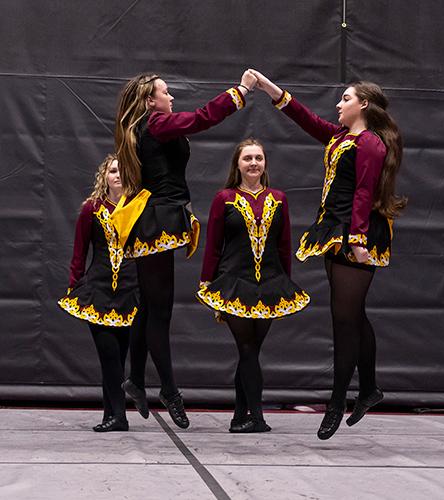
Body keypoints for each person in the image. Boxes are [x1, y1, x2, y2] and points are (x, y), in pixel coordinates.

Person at [251, 70, 406, 439]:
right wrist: (268, 87)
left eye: (346, 99)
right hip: (334, 229)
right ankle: (368, 388)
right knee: (352, 316)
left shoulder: (369, 142)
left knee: (344, 319)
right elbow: (304, 117)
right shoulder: (340, 137)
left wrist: (357, 239)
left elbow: (364, 193)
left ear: (363, 105)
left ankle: (338, 400)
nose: (338, 104)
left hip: (356, 232)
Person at [114, 71, 257, 429]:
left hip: (156, 217)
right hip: (156, 221)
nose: (171, 97)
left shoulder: (146, 125)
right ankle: (169, 390)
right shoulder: (157, 123)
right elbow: (201, 118)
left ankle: (135, 377)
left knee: (148, 308)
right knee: (160, 312)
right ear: (151, 100)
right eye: (166, 92)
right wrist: (239, 92)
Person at [197, 138, 310, 432]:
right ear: (237, 164)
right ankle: (256, 417)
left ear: (265, 164)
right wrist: (206, 281)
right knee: (247, 349)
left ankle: (238, 416)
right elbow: (213, 246)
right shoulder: (224, 198)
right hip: (235, 284)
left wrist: (285, 282)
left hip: (271, 285)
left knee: (251, 353)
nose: (253, 163)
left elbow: (284, 245)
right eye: (247, 158)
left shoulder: (279, 198)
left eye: (258, 158)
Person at [58, 155, 139, 432]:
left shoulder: (139, 209)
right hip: (99, 291)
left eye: (123, 171)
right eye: (113, 170)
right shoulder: (91, 209)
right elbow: (79, 254)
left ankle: (111, 413)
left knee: (119, 355)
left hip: (131, 292)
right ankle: (119, 416)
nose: (118, 175)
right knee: (109, 355)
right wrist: (74, 287)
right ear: (104, 176)